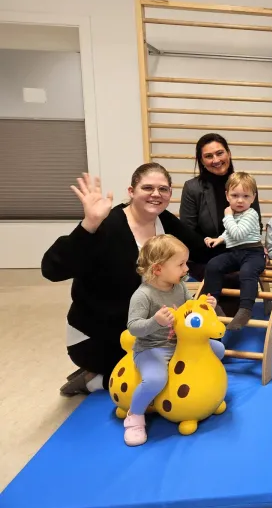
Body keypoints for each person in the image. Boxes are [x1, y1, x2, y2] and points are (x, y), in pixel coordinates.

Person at [42, 166, 209, 396]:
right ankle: (92, 380)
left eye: (163, 189)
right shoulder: (107, 224)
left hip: (145, 327)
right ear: (131, 191)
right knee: (162, 380)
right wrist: (89, 225)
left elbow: (202, 250)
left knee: (192, 359)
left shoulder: (164, 222)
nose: (156, 194)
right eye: (147, 187)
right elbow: (52, 270)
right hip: (97, 336)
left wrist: (248, 254)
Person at [123, 235, 225, 446]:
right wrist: (155, 322)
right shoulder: (143, 296)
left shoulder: (178, 287)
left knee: (218, 350)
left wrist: (205, 305)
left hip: (179, 344)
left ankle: (202, 391)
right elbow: (133, 327)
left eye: (185, 263)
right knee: (154, 380)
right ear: (158, 269)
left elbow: (190, 308)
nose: (186, 269)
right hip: (152, 348)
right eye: (180, 264)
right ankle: (134, 417)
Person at [179, 133, 262, 282]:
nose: (216, 160)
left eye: (220, 153)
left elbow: (257, 223)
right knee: (223, 274)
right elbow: (188, 231)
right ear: (201, 161)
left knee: (241, 273)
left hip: (241, 250)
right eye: (209, 156)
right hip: (206, 253)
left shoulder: (247, 184)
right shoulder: (192, 188)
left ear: (228, 154)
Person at [203, 172, 265, 331]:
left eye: (245, 196)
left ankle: (245, 310)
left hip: (253, 253)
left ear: (253, 198)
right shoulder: (235, 215)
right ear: (227, 196)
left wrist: (227, 216)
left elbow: (237, 233)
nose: (240, 200)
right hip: (235, 253)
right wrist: (219, 239)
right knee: (213, 265)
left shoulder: (251, 214)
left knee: (247, 272)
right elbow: (230, 232)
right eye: (235, 195)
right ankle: (213, 303)